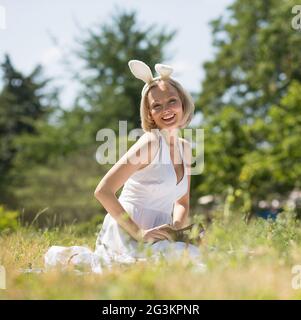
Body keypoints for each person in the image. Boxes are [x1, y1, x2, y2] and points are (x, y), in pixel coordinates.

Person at [44, 60, 205, 274]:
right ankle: (72, 258)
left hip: (160, 233)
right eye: (157, 105)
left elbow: (182, 201)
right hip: (129, 232)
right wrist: (139, 232)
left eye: (172, 101)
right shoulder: (150, 143)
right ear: (150, 114)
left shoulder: (186, 149)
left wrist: (176, 229)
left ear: (183, 103)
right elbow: (103, 191)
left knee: (193, 261)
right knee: (170, 268)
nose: (166, 109)